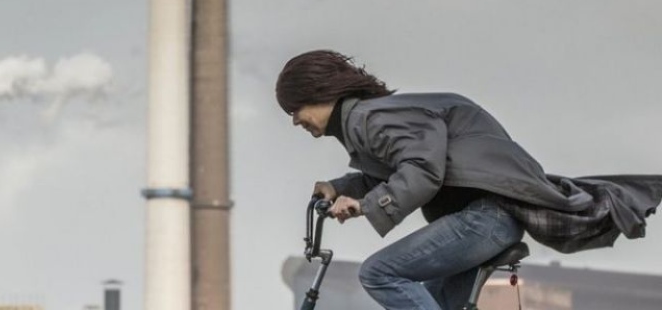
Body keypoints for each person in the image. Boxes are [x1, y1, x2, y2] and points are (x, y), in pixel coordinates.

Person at [276, 49, 662, 310]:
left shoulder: (371, 118)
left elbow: (422, 169)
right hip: (486, 219)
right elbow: (394, 169)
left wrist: (365, 204)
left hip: (486, 217)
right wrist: (339, 188)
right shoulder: (371, 122)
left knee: (379, 273)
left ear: (319, 92)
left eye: (295, 109)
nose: (295, 121)